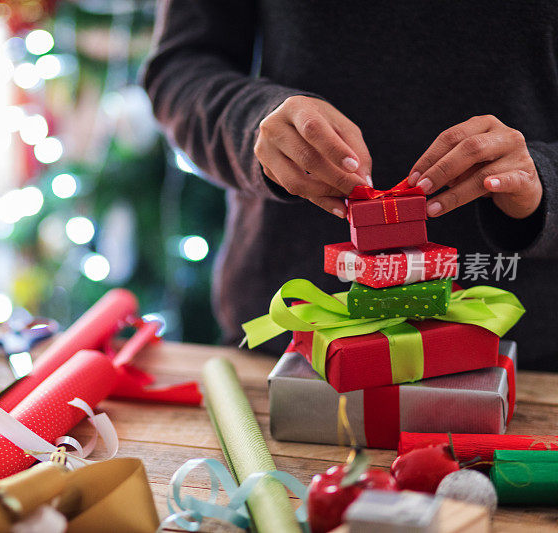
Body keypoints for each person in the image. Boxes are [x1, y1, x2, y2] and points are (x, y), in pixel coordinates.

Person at [143, 1, 558, 369]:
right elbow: (179, 68)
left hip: (523, 351)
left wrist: (541, 176)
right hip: (292, 345)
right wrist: (255, 120)